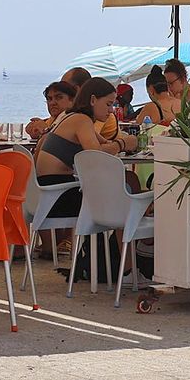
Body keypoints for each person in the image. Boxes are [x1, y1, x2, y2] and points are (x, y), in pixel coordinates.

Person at [33, 77, 136, 254]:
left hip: (45, 194)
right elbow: (95, 154)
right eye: (108, 104)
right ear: (93, 99)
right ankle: (125, 267)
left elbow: (102, 143)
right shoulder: (81, 120)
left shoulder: (72, 117)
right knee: (124, 196)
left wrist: (119, 143)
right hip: (56, 197)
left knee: (127, 184)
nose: (111, 111)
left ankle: (113, 263)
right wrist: (123, 144)